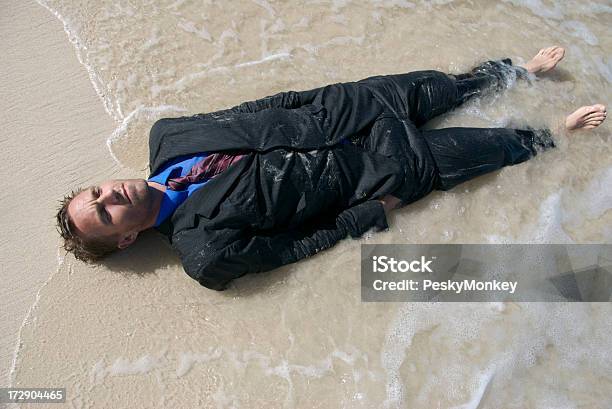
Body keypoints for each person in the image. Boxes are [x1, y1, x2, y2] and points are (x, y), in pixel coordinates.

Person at [56, 46, 607, 291]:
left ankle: (520, 72)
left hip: (354, 107)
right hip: (376, 171)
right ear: (126, 239)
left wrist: (330, 95)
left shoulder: (167, 135)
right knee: (497, 148)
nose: (112, 195)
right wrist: (367, 214)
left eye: (98, 191)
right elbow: (293, 248)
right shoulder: (204, 253)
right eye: (105, 213)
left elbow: (255, 109)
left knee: (454, 85)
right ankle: (556, 134)